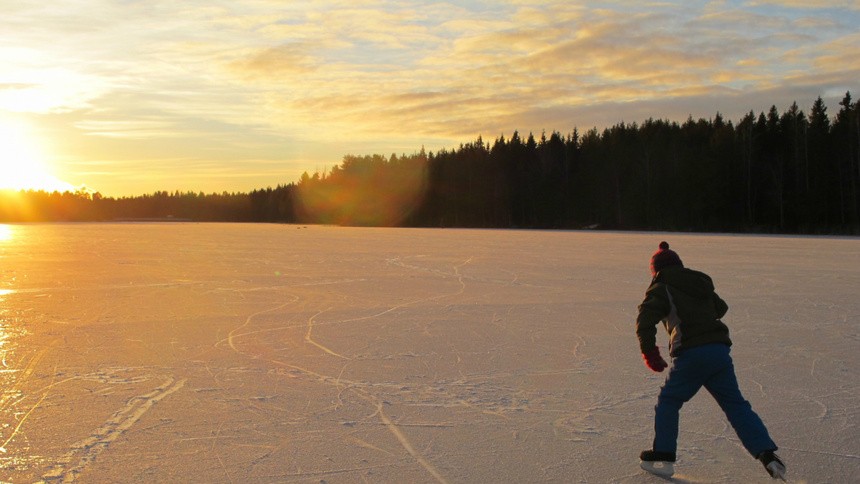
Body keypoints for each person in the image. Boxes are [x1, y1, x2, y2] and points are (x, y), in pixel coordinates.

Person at [636, 241, 786, 480]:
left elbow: (645, 320)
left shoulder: (662, 287)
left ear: (656, 270)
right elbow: (721, 308)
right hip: (719, 352)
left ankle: (664, 454)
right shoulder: (699, 283)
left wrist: (650, 353)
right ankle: (766, 454)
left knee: (669, 400)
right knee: (736, 405)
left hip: (692, 354)